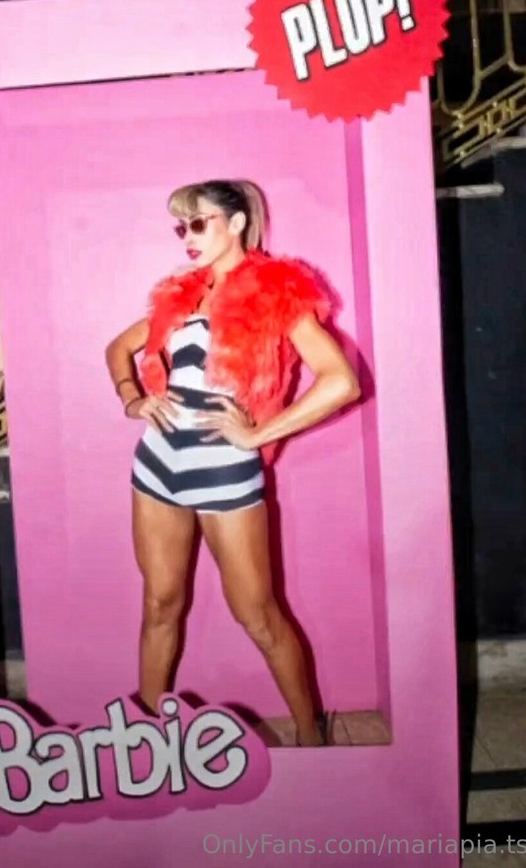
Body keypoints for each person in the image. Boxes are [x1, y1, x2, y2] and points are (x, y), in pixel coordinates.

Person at [105, 179, 360, 747]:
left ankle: (311, 736)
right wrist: (133, 399)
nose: (187, 237)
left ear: (238, 222)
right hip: (157, 464)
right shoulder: (182, 294)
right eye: (182, 226)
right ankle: (148, 743)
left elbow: (341, 381)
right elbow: (117, 348)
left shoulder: (275, 291)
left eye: (199, 223)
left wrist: (258, 434)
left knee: (259, 615)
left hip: (225, 470)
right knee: (159, 604)